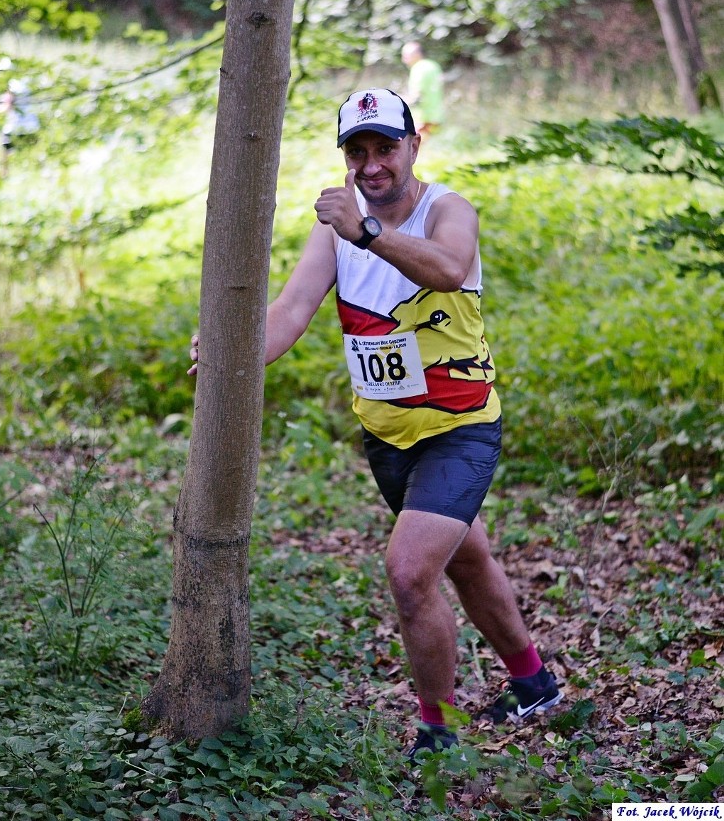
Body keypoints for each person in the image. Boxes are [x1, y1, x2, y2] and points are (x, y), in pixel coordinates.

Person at [189, 88, 562, 759]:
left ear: (414, 144)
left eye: (384, 147)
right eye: (356, 151)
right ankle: (535, 682)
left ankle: (438, 731)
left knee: (411, 571)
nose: (371, 164)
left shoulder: (447, 209)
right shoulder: (335, 231)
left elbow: (448, 269)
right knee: (469, 558)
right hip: (387, 436)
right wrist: (227, 351)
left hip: (461, 427)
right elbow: (292, 311)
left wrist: (365, 231)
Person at [0, 78, 40, 176]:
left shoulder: (12, 87)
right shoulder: (26, 86)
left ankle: (4, 172)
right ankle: (40, 171)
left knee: (5, 148)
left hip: (16, 127)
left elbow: (7, 105)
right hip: (32, 126)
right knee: (35, 152)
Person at [401, 42, 444, 138]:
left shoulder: (418, 69)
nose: (404, 60)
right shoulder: (433, 65)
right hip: (436, 114)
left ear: (417, 54)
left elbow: (416, 95)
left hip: (421, 117)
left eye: (406, 56)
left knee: (414, 147)